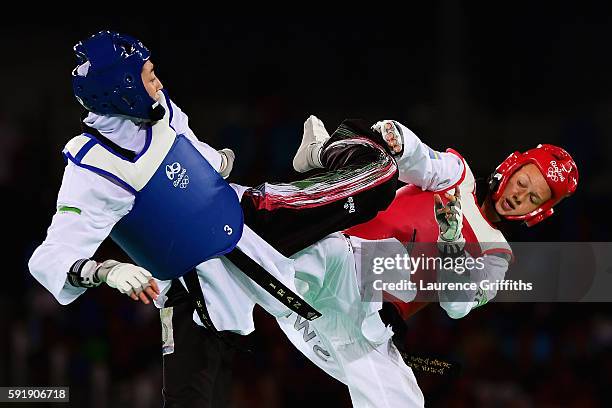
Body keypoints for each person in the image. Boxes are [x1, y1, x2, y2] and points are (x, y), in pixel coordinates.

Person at [28, 30, 400, 407]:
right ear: (122, 89)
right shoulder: (91, 170)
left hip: (251, 224)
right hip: (194, 284)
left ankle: (327, 153)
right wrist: (105, 270)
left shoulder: (159, 107)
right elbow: (51, 258)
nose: (157, 81)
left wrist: (217, 162)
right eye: (148, 73)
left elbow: (189, 148)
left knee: (380, 178)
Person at [272, 119, 578, 407]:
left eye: (533, 197)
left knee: (408, 402)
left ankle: (318, 158)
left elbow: (457, 306)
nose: (519, 196)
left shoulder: (498, 256)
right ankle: (319, 156)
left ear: (538, 212)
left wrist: (452, 243)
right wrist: (401, 140)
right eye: (522, 182)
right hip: (323, 271)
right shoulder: (458, 177)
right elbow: (419, 160)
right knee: (381, 173)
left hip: (355, 326)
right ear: (510, 167)